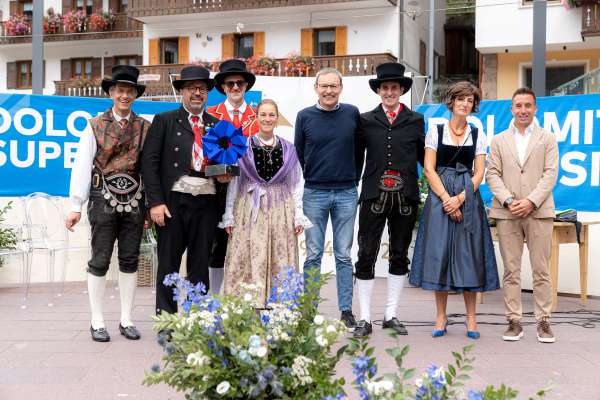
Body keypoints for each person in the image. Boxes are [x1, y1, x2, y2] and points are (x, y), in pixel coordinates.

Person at [65, 65, 150, 342]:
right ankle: (97, 320)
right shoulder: (94, 125)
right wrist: (76, 205)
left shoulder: (145, 127)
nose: (125, 95)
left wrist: (150, 204)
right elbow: (82, 164)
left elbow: (150, 167)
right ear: (112, 93)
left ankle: (126, 319)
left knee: (130, 259)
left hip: (135, 200)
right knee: (100, 259)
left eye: (130, 91)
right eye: (120, 90)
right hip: (102, 198)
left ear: (135, 95)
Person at [409, 81, 500, 339]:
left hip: (467, 195)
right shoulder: (436, 130)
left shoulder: (477, 133)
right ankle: (441, 316)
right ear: (452, 102)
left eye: (469, 100)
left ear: (474, 105)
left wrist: (460, 198)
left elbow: (479, 172)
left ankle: (471, 318)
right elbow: (428, 169)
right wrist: (446, 199)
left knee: (469, 255)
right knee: (440, 255)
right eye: (461, 99)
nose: (465, 104)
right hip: (440, 196)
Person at [141, 65, 230, 318]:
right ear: (182, 91)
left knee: (200, 264)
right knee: (168, 263)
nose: (197, 93)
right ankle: (167, 319)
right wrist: (155, 203)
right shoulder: (164, 120)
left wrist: (225, 174)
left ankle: (197, 317)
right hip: (173, 203)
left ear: (207, 93)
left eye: (201, 89)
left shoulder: (218, 125)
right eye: (191, 88)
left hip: (207, 203)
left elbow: (226, 165)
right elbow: (150, 163)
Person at [353, 62, 425, 337]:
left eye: (394, 87)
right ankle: (365, 318)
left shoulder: (416, 120)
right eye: (385, 87)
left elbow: (424, 158)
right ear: (379, 90)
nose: (390, 92)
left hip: (405, 196)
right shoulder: (366, 120)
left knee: (399, 254)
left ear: (402, 90)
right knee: (366, 254)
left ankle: (391, 314)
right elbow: (356, 158)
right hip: (373, 193)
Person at [219, 99, 312, 307]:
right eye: (263, 114)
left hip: (280, 207)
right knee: (249, 255)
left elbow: (296, 184)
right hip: (250, 207)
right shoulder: (243, 147)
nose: (267, 119)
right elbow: (235, 183)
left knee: (281, 257)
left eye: (271, 115)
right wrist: (229, 214)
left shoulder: (289, 149)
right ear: (256, 118)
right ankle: (248, 308)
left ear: (276, 119)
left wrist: (298, 214)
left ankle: (280, 308)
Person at [487, 87, 558, 343]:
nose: (523, 110)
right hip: (507, 214)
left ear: (535, 108)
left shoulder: (547, 138)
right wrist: (508, 200)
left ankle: (543, 321)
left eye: (528, 105)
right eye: (518, 106)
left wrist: (530, 201)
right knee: (511, 270)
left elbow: (550, 173)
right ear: (511, 108)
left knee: (541, 270)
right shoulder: (498, 140)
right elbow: (491, 174)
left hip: (539, 212)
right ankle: (514, 321)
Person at [294, 68, 361, 331]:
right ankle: (309, 310)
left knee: (344, 255)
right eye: (324, 86)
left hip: (346, 192)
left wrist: (353, 179)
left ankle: (346, 310)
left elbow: (359, 152)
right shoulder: (304, 117)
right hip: (314, 192)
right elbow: (298, 155)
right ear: (316, 88)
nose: (329, 91)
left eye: (334, 86)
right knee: (312, 255)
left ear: (341, 88)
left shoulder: (352, 113)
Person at [205, 59, 259, 294]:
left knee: (249, 247)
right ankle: (215, 300)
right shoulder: (209, 115)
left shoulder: (259, 117)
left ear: (246, 85)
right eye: (230, 84)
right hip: (217, 190)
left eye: (239, 83)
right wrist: (218, 174)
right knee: (216, 248)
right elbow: (202, 157)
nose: (235, 87)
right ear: (223, 87)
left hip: (249, 191)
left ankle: (245, 300)